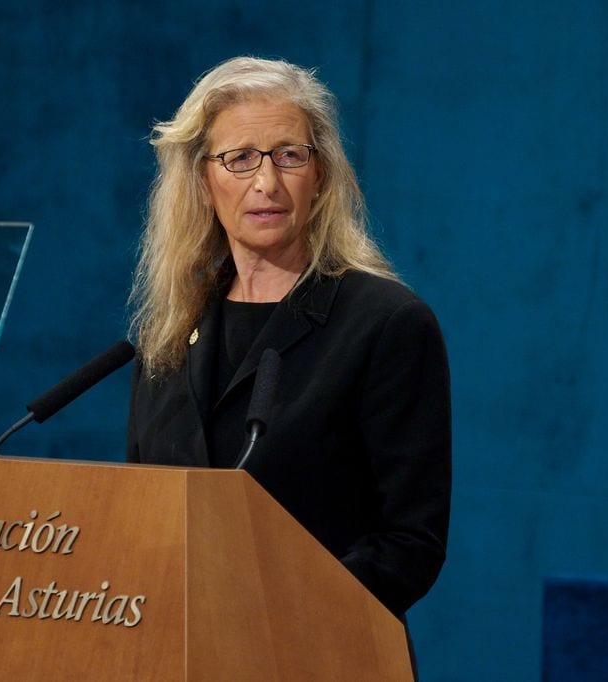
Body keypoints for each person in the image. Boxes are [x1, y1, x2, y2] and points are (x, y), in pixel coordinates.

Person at [126, 56, 450, 631]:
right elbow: (141, 511)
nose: (267, 182)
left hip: (316, 650)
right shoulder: (173, 328)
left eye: (289, 155)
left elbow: (409, 542)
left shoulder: (386, 323)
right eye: (240, 158)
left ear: (320, 173)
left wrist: (278, 616)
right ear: (203, 179)